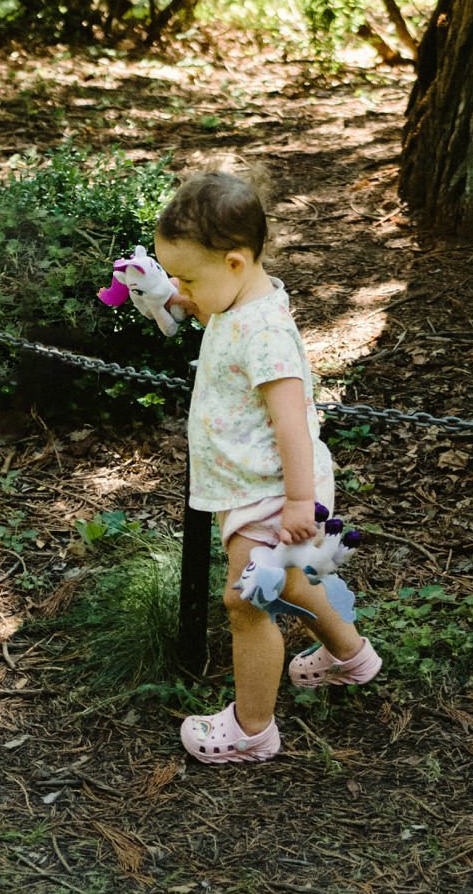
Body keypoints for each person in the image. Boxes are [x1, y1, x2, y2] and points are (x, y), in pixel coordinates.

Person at [151, 163, 382, 764]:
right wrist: (171, 294)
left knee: (246, 603)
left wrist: (301, 503)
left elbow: (291, 423)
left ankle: (251, 732)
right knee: (294, 585)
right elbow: (208, 310)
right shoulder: (236, 299)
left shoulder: (266, 335)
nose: (184, 291)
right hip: (255, 487)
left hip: (274, 493)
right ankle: (350, 658)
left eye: (187, 278)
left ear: (233, 263)